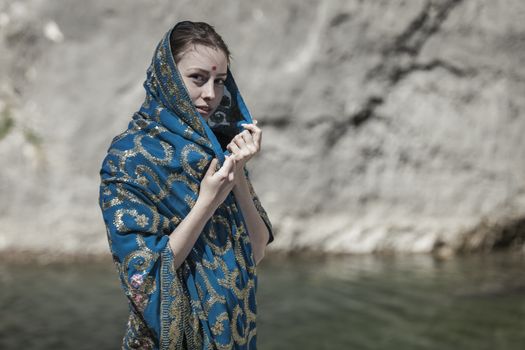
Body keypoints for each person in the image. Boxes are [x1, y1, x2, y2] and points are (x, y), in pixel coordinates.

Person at [99, 21, 273, 349]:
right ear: (167, 78)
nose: (211, 94)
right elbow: (142, 277)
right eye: (197, 78)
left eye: (220, 81)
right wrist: (206, 203)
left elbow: (257, 249)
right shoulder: (131, 157)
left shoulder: (218, 151)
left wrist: (237, 177)